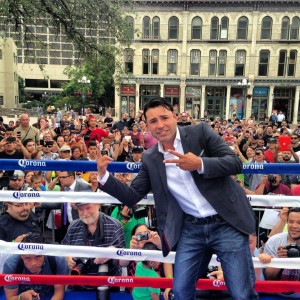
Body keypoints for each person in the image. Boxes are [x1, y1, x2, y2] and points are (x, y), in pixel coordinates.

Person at [96, 97, 258, 300]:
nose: (160, 125)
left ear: (175, 116)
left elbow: (234, 163)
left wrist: (199, 163)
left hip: (226, 222)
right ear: (147, 126)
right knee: (180, 292)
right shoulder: (151, 157)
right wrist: (103, 176)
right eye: (153, 121)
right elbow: (133, 195)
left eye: (164, 117)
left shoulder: (200, 132)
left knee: (242, 293)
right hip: (191, 228)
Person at [61, 202, 125, 291]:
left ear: (98, 204)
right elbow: (63, 250)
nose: (85, 213)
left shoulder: (114, 225)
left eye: (88, 208)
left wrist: (113, 252)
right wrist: (67, 258)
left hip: (108, 286)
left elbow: (125, 262)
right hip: (78, 286)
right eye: (81, 209)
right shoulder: (73, 227)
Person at [3, 233, 68, 300]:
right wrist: (21, 297)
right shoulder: (11, 264)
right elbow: (10, 297)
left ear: (44, 253)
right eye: (28, 258)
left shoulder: (58, 259)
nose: (33, 263)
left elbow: (58, 293)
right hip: (21, 295)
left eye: (38, 257)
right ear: (21, 255)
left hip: (51, 295)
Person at [263, 207, 300, 298]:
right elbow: (268, 278)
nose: (294, 226)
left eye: (299, 222)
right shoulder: (274, 241)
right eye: (291, 222)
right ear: (287, 222)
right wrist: (280, 261)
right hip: (275, 295)